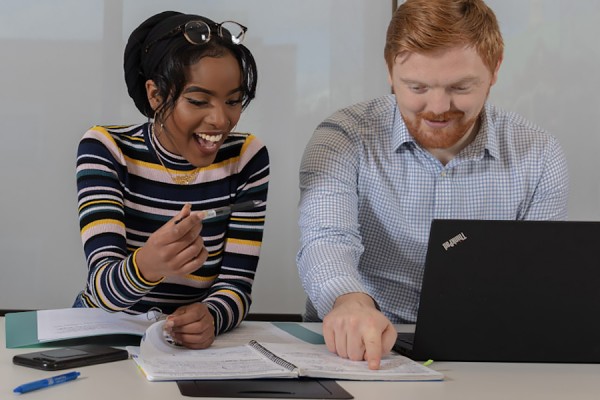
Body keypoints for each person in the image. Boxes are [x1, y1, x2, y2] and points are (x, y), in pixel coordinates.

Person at [297, 0, 568, 369]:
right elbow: (326, 238)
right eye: (417, 87)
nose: (438, 107)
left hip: (485, 351)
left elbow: (536, 279)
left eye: (461, 86)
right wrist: (350, 301)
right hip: (358, 347)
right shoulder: (343, 136)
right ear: (390, 71)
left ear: (495, 70)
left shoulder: (539, 154)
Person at [72, 11, 269, 350]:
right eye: (197, 100)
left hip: (189, 348)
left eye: (234, 101)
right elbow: (103, 290)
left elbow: (236, 286)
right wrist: (148, 264)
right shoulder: (106, 148)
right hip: (104, 335)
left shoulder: (247, 158)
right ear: (156, 95)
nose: (221, 120)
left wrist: (211, 316)